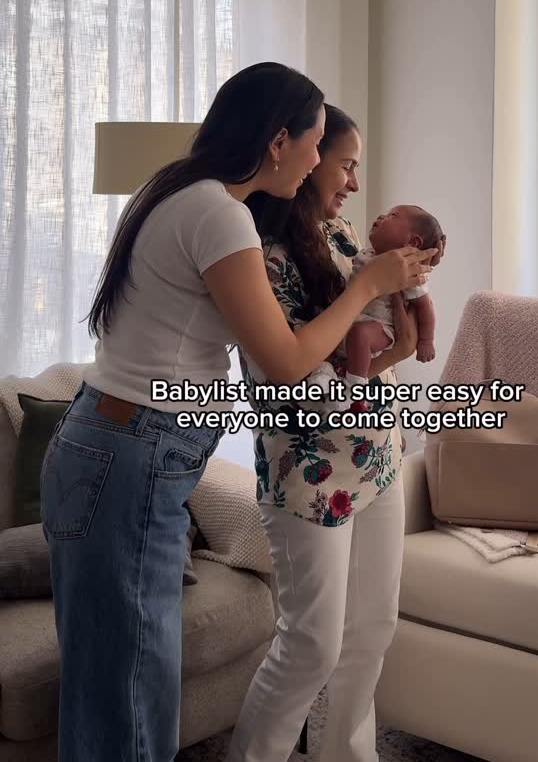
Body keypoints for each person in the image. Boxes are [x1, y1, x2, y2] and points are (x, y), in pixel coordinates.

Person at [39, 64, 430, 762]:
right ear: (279, 142)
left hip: (132, 443)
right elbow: (285, 364)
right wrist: (369, 284)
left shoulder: (186, 193)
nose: (321, 163)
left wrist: (389, 324)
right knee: (129, 697)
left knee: (124, 689)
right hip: (136, 446)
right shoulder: (219, 215)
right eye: (317, 145)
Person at [227, 105, 440, 762]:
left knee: (372, 629)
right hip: (307, 476)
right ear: (306, 156)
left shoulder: (345, 235)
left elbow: (380, 355)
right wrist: (375, 303)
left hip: (378, 459)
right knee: (310, 648)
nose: (354, 182)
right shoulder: (258, 259)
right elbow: (294, 386)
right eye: (345, 164)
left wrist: (403, 332)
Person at [345, 205, 446, 380]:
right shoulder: (366, 254)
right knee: (353, 337)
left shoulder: (408, 271)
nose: (380, 216)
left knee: (360, 334)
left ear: (412, 243)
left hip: (381, 328)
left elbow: (425, 306)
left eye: (392, 216)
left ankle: (354, 385)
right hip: (347, 322)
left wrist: (426, 341)